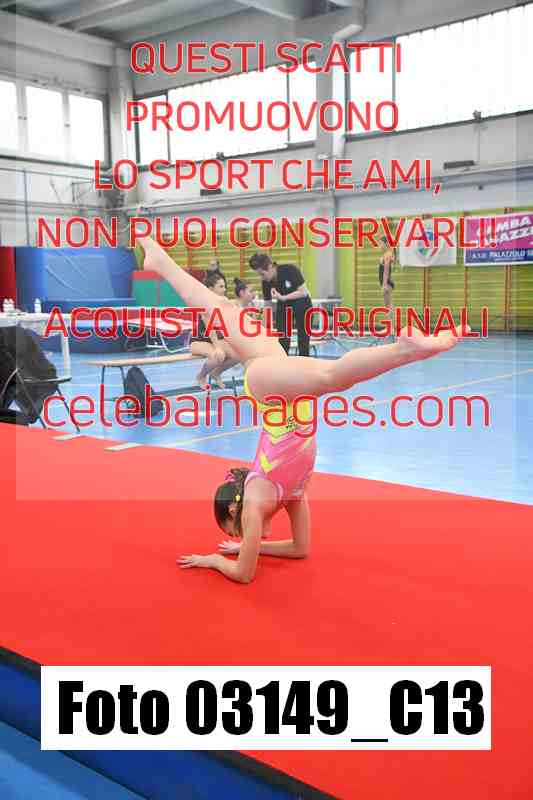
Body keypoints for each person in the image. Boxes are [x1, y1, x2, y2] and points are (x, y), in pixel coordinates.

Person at [139, 237, 469, 584]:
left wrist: (215, 560)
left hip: (269, 391)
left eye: (235, 532)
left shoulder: (254, 503)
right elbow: (300, 548)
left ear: (234, 510)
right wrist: (249, 547)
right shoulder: (291, 493)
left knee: (331, 377)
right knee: (222, 309)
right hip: (283, 396)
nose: (244, 537)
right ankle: (161, 263)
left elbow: (243, 574)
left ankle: (404, 350)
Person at [249, 253, 312, 357]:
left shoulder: (290, 270)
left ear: (270, 267)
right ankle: (282, 361)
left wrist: (283, 297)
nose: (262, 278)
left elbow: (303, 292)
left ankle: (304, 361)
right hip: (284, 305)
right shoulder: (266, 282)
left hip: (302, 303)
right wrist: (264, 329)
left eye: (262, 274)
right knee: (282, 338)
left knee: (303, 338)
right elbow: (267, 306)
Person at [189, 271, 239, 390]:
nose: (224, 289)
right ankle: (201, 376)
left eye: (225, 286)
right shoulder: (204, 304)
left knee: (238, 354)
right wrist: (218, 347)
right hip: (199, 341)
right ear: (211, 289)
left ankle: (216, 373)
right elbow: (211, 329)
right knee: (219, 355)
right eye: (221, 287)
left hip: (215, 340)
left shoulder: (223, 302)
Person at [378, 235, 395, 336]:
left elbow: (386, 270)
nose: (379, 246)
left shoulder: (388, 254)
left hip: (387, 282)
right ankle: (390, 327)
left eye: (381, 243)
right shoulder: (386, 254)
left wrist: (384, 284)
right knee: (387, 305)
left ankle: (390, 328)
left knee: (388, 305)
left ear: (386, 244)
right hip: (385, 282)